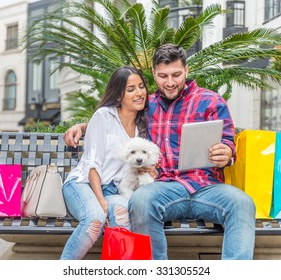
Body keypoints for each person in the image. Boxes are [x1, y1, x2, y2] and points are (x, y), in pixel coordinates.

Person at [64, 44, 256, 260]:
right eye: (163, 76)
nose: (170, 82)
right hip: (162, 187)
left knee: (242, 203)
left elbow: (228, 141)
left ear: (187, 70)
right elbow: (115, 119)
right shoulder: (147, 105)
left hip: (205, 187)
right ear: (154, 74)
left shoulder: (211, 101)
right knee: (141, 202)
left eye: (176, 74)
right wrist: (83, 127)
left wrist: (227, 153)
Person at [60, 66, 150, 260]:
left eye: (141, 87)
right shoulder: (103, 116)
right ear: (118, 95)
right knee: (95, 219)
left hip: (112, 189)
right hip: (82, 183)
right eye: (131, 89)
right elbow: (93, 163)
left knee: (123, 213)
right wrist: (101, 201)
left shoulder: (142, 125)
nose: (139, 93)